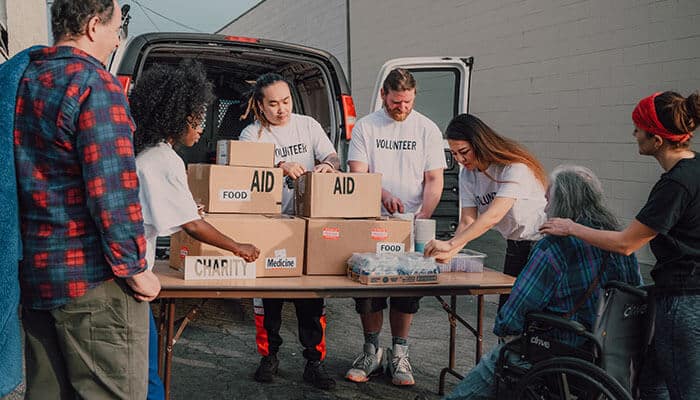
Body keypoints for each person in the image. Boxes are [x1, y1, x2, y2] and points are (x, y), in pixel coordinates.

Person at [14, 1, 160, 398]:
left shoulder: (24, 79)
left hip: (37, 276)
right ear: (94, 26)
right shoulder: (94, 84)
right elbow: (111, 188)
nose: (118, 39)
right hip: (92, 280)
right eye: (117, 28)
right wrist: (134, 267)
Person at [540, 91, 700, 400]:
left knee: (684, 390)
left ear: (657, 139)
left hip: (685, 299)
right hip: (681, 296)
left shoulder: (676, 185)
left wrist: (571, 226)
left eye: (638, 128)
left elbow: (626, 243)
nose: (634, 134)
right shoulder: (693, 172)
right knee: (652, 385)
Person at [445, 165, 642, 400]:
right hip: (609, 354)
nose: (546, 207)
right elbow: (634, 295)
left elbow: (519, 308)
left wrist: (505, 331)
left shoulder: (554, 247)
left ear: (562, 203)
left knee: (491, 366)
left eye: (548, 199)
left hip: (557, 348)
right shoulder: (617, 243)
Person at [129, 60, 260, 400]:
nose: (202, 128)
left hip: (128, 271)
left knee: (145, 362)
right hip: (131, 278)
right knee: (146, 375)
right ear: (174, 115)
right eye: (197, 118)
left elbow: (172, 211)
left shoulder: (146, 151)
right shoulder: (164, 158)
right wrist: (237, 246)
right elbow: (192, 224)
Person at [239, 72, 339, 390]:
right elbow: (243, 175)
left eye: (286, 101)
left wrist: (328, 166)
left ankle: (314, 362)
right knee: (269, 301)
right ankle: (269, 357)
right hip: (268, 226)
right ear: (260, 105)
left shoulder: (307, 125)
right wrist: (278, 166)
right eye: (273, 104)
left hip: (308, 225)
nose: (282, 109)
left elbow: (333, 155)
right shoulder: (251, 135)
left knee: (310, 299)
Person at [346, 68, 446, 386]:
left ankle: (399, 352)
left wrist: (423, 214)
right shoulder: (366, 126)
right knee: (370, 290)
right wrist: (383, 194)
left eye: (407, 102)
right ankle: (371, 350)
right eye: (395, 102)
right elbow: (358, 174)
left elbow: (433, 178)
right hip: (372, 220)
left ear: (414, 96)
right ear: (383, 96)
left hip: (411, 222)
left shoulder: (427, 129)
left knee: (407, 289)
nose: (401, 108)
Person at [424, 113, 547, 309]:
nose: (460, 159)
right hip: (515, 244)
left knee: (528, 311)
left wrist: (451, 244)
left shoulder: (514, 168)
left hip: (541, 244)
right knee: (508, 311)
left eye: (464, 151)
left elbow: (493, 215)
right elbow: (467, 220)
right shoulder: (468, 175)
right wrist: (450, 251)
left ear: (480, 143)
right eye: (454, 154)